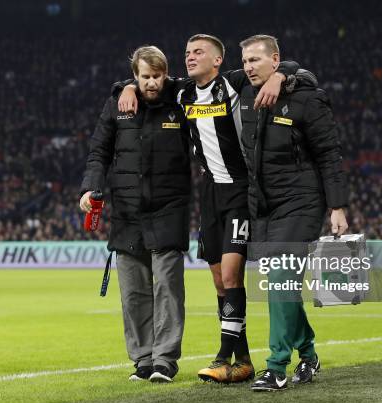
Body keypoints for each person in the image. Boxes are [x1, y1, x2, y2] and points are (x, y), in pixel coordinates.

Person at [117, 34, 300, 383]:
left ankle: (223, 355)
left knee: (231, 274)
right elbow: (147, 78)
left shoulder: (232, 82)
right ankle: (242, 359)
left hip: (240, 190)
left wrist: (280, 75)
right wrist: (126, 87)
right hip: (211, 194)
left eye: (198, 52)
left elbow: (290, 68)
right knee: (219, 281)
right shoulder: (182, 92)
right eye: (186, 52)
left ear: (217, 60)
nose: (189, 57)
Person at [236, 35, 349, 391]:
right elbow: (200, 79)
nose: (249, 67)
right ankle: (309, 352)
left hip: (301, 202)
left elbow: (330, 154)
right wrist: (128, 84)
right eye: (245, 61)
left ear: (276, 59)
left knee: (280, 279)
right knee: (281, 285)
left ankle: (275, 366)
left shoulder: (306, 98)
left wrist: (337, 206)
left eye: (256, 60)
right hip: (264, 206)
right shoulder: (243, 92)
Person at [79, 46, 191, 383]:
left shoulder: (181, 99)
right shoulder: (118, 104)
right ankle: (143, 360)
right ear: (135, 75)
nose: (152, 83)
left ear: (166, 73)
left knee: (168, 288)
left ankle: (165, 360)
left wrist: (123, 86)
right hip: (127, 212)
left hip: (169, 208)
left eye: (157, 76)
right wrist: (90, 188)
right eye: (145, 77)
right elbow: (99, 151)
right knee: (132, 293)